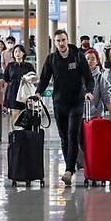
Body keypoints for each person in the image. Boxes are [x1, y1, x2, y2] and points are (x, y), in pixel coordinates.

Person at [36, 30, 94, 187]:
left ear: (67, 40)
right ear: (54, 43)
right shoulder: (51, 59)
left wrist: (88, 92)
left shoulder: (78, 57)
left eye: (63, 40)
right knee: (64, 138)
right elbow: (44, 79)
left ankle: (68, 170)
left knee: (72, 135)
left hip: (77, 101)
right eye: (58, 41)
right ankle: (70, 164)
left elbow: (89, 78)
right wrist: (38, 93)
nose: (61, 43)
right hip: (59, 103)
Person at [3, 44, 36, 127]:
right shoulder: (10, 66)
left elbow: (34, 77)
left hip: (25, 92)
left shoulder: (28, 66)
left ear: (23, 53)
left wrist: (28, 78)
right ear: (13, 54)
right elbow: (6, 78)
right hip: (13, 92)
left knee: (26, 113)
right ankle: (15, 135)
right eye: (16, 51)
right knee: (15, 114)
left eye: (20, 51)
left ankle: (24, 134)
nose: (18, 53)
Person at [84, 49, 111, 119]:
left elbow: (106, 96)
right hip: (80, 115)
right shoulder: (79, 76)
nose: (89, 61)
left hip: (96, 115)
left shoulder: (100, 77)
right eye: (87, 59)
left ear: (97, 61)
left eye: (92, 59)